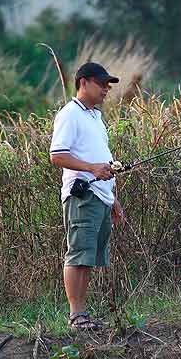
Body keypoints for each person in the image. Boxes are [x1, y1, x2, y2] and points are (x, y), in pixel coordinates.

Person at [49, 62, 124, 330]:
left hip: (101, 196)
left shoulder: (96, 117)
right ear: (84, 82)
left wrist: (113, 198)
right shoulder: (70, 114)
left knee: (89, 257)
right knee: (79, 254)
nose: (106, 89)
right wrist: (91, 169)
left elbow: (101, 156)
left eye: (108, 85)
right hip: (82, 195)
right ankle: (76, 315)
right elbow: (57, 155)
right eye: (102, 83)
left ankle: (83, 313)